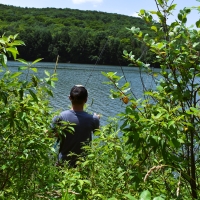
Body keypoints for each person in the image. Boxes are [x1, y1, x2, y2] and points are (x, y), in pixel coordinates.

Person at [51, 85, 100, 167]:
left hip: (63, 164)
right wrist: (97, 119)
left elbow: (49, 134)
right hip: (83, 165)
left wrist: (59, 133)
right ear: (86, 100)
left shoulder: (60, 117)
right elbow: (97, 133)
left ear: (69, 98)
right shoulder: (93, 119)